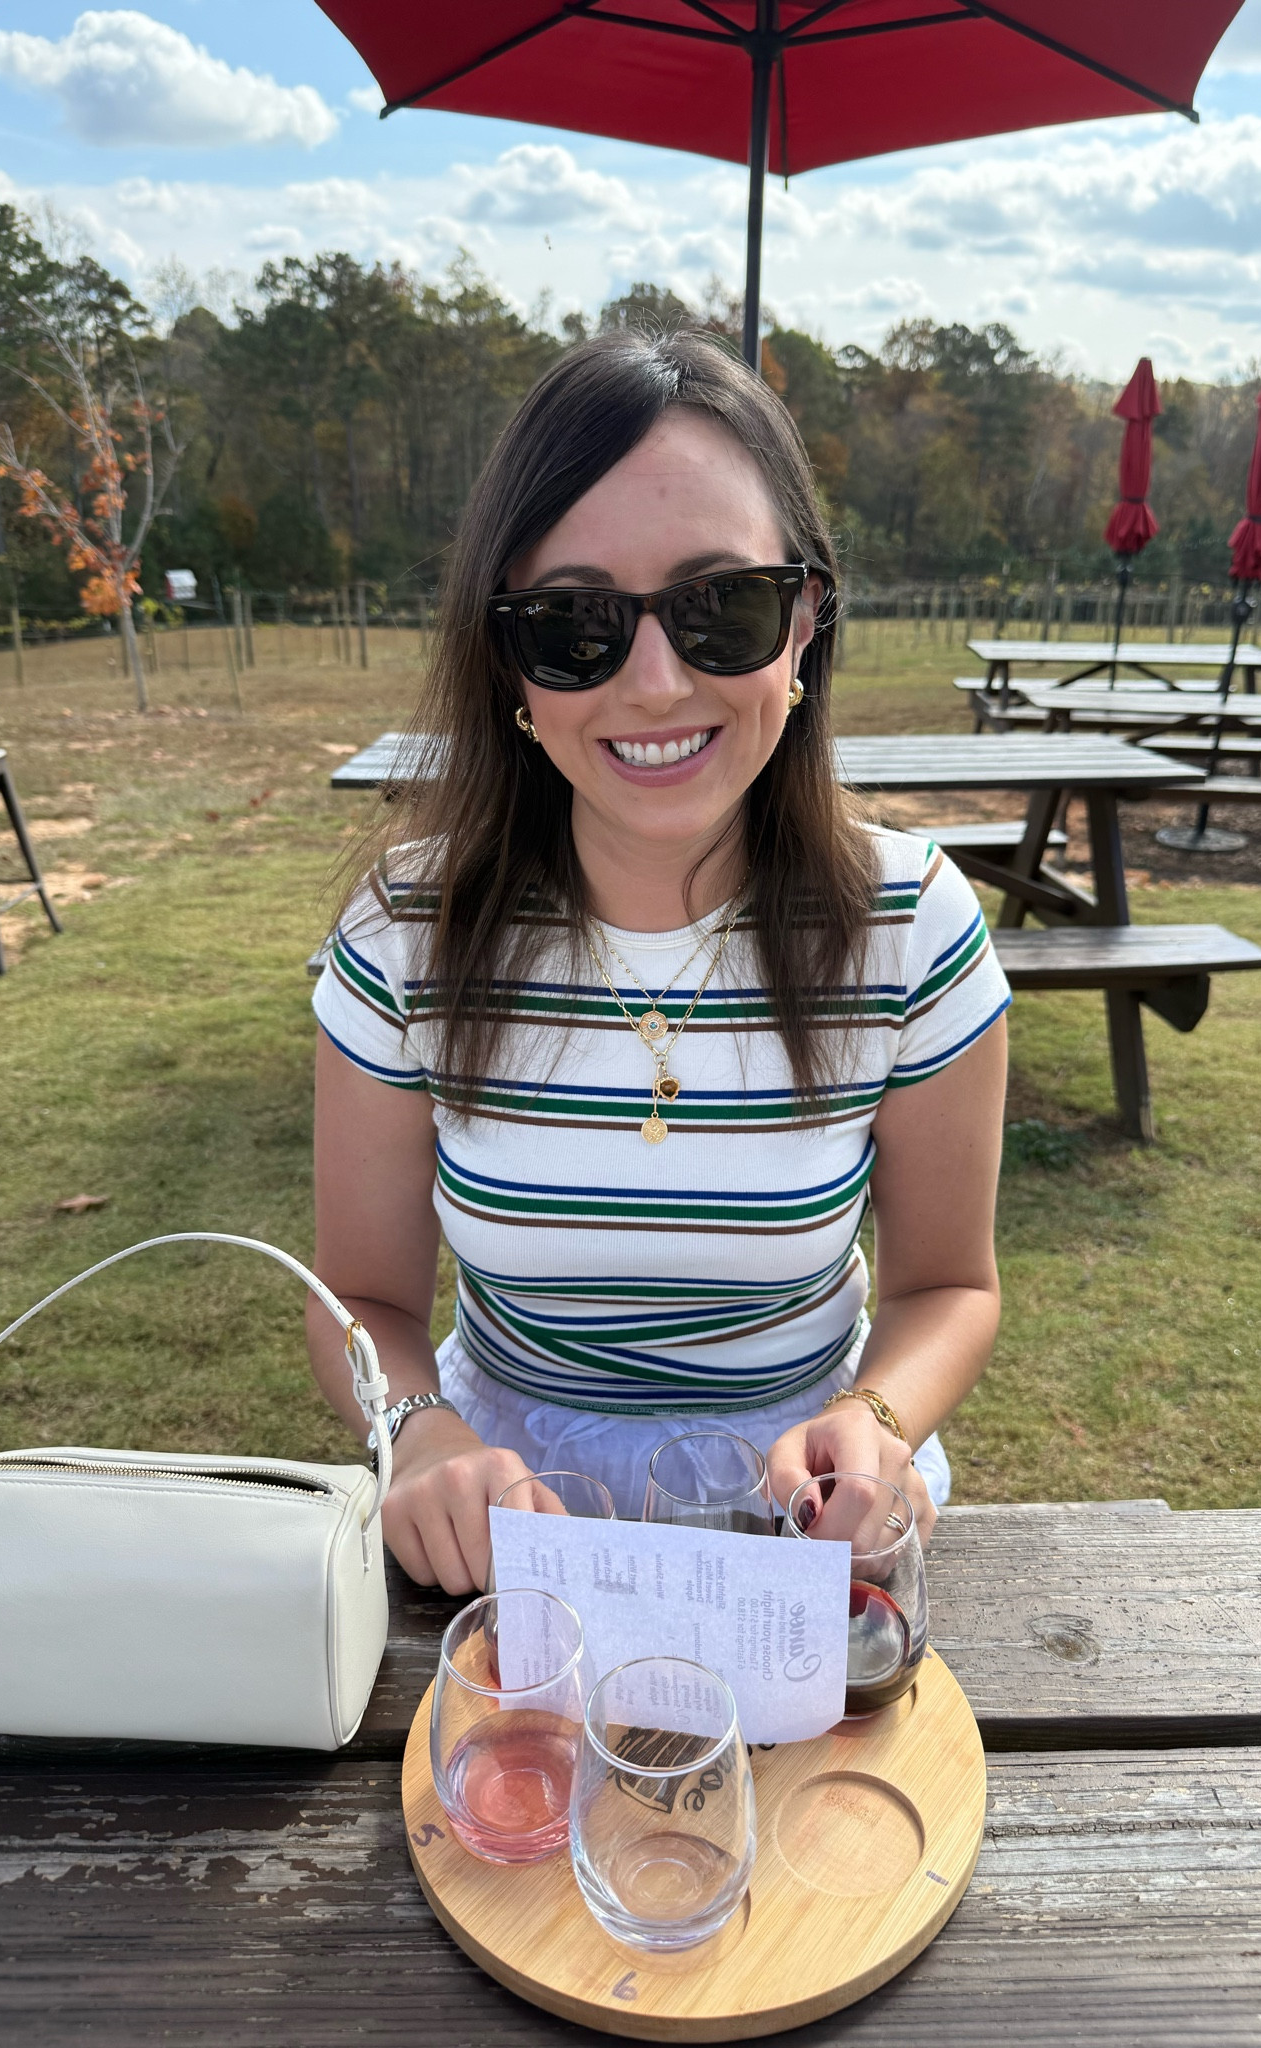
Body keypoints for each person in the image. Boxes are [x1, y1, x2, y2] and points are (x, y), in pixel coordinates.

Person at [309, 330, 1009, 1594]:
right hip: (501, 1519)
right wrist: (418, 1436)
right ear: (508, 663)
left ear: (804, 622)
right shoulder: (403, 937)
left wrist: (884, 1420)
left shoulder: (914, 926)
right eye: (574, 624)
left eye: (718, 608)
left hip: (803, 1512)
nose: (654, 680)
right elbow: (363, 1294)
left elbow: (949, 1283)